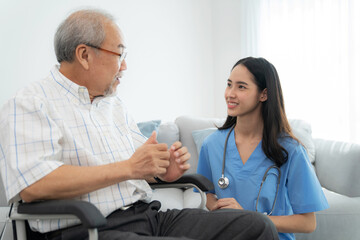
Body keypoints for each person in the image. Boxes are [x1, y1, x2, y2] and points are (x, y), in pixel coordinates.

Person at [0, 9, 279, 240]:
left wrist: (161, 172)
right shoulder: (30, 103)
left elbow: (138, 168)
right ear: (84, 55)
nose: (124, 66)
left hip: (147, 217)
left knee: (257, 227)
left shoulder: (113, 105)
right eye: (119, 54)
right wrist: (129, 168)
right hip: (85, 229)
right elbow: (34, 185)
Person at [196, 57, 329, 240]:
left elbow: (308, 223)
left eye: (241, 87)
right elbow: (205, 194)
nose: (230, 94)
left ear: (264, 94)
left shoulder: (290, 150)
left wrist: (250, 219)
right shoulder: (212, 145)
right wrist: (218, 208)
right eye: (229, 84)